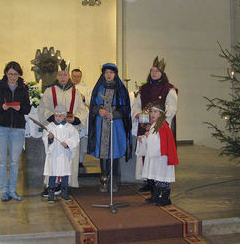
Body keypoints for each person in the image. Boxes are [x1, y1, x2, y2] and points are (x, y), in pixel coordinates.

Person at [38, 60, 87, 196]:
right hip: (55, 130)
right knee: (54, 157)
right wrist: (53, 117)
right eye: (60, 75)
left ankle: (66, 184)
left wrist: (75, 118)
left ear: (69, 76)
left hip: (69, 131)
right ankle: (52, 185)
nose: (63, 78)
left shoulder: (75, 92)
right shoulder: (49, 91)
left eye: (65, 75)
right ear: (57, 76)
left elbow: (82, 111)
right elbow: (43, 109)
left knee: (68, 158)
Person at [131, 56, 177, 192]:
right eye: (152, 71)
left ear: (162, 73)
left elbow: (172, 108)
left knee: (157, 153)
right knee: (146, 152)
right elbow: (136, 105)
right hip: (144, 124)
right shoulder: (143, 89)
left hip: (159, 127)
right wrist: (138, 114)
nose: (154, 73)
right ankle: (149, 180)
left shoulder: (169, 89)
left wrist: (158, 117)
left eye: (157, 71)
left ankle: (159, 180)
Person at [0, 61, 31, 202]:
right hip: (0, 126)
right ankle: (4, 191)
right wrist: (2, 106)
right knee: (1, 161)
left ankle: (13, 189)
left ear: (19, 75)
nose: (13, 77)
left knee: (14, 161)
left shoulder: (23, 88)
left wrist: (20, 108)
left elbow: (27, 108)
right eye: (10, 74)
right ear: (6, 73)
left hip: (17, 128)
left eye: (16, 74)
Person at [88, 63, 132, 193]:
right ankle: (104, 178)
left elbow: (125, 109)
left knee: (114, 150)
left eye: (111, 73)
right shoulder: (98, 88)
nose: (108, 75)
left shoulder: (121, 89)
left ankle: (113, 179)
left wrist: (114, 114)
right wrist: (98, 111)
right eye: (106, 72)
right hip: (101, 123)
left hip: (115, 123)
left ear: (115, 74)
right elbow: (93, 106)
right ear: (103, 74)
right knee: (103, 151)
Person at [137, 101, 178, 206]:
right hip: (157, 157)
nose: (152, 114)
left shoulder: (163, 126)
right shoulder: (155, 125)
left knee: (162, 178)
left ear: (161, 114)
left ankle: (165, 198)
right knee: (156, 177)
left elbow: (160, 143)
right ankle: (155, 196)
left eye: (155, 112)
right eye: (151, 112)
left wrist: (147, 136)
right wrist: (143, 138)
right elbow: (152, 139)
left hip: (162, 158)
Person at [42, 105, 80, 203]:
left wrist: (67, 143)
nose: (58, 118)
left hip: (64, 155)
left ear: (64, 116)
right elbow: (45, 138)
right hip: (54, 155)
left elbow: (75, 138)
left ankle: (64, 193)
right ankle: (51, 194)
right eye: (56, 115)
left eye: (60, 116)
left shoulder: (69, 128)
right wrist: (50, 138)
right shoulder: (50, 126)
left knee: (64, 174)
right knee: (52, 173)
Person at [71, 68, 91, 171]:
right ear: (71, 76)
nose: (76, 78)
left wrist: (83, 98)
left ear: (81, 77)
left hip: (82, 117)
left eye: (78, 76)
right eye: (74, 76)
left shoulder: (86, 88)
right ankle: (71, 160)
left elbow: (90, 102)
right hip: (71, 116)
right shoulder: (67, 87)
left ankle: (80, 161)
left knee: (82, 139)